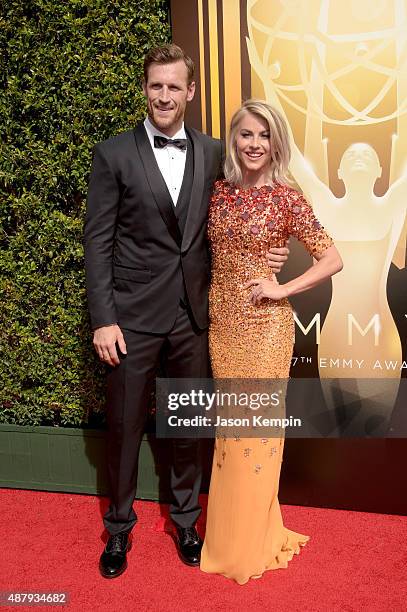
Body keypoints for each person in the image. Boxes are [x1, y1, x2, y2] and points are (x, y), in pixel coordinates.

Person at [84, 45, 288, 579]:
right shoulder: (113, 155)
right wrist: (103, 318)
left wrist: (273, 249)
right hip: (130, 319)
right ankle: (119, 529)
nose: (165, 96)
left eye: (175, 87)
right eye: (157, 86)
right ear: (145, 88)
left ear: (191, 92)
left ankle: (187, 521)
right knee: (126, 427)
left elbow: (247, 208)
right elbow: (97, 242)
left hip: (196, 316)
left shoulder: (214, 151)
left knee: (187, 426)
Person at [200, 99, 343, 585]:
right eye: (245, 134)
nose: (254, 144)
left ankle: (248, 544)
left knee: (255, 435)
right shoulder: (218, 192)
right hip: (223, 327)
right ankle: (231, 535)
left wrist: (282, 287)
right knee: (230, 434)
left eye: (263, 135)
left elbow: (332, 259)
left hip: (265, 330)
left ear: (275, 142)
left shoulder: (286, 198)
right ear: (233, 140)